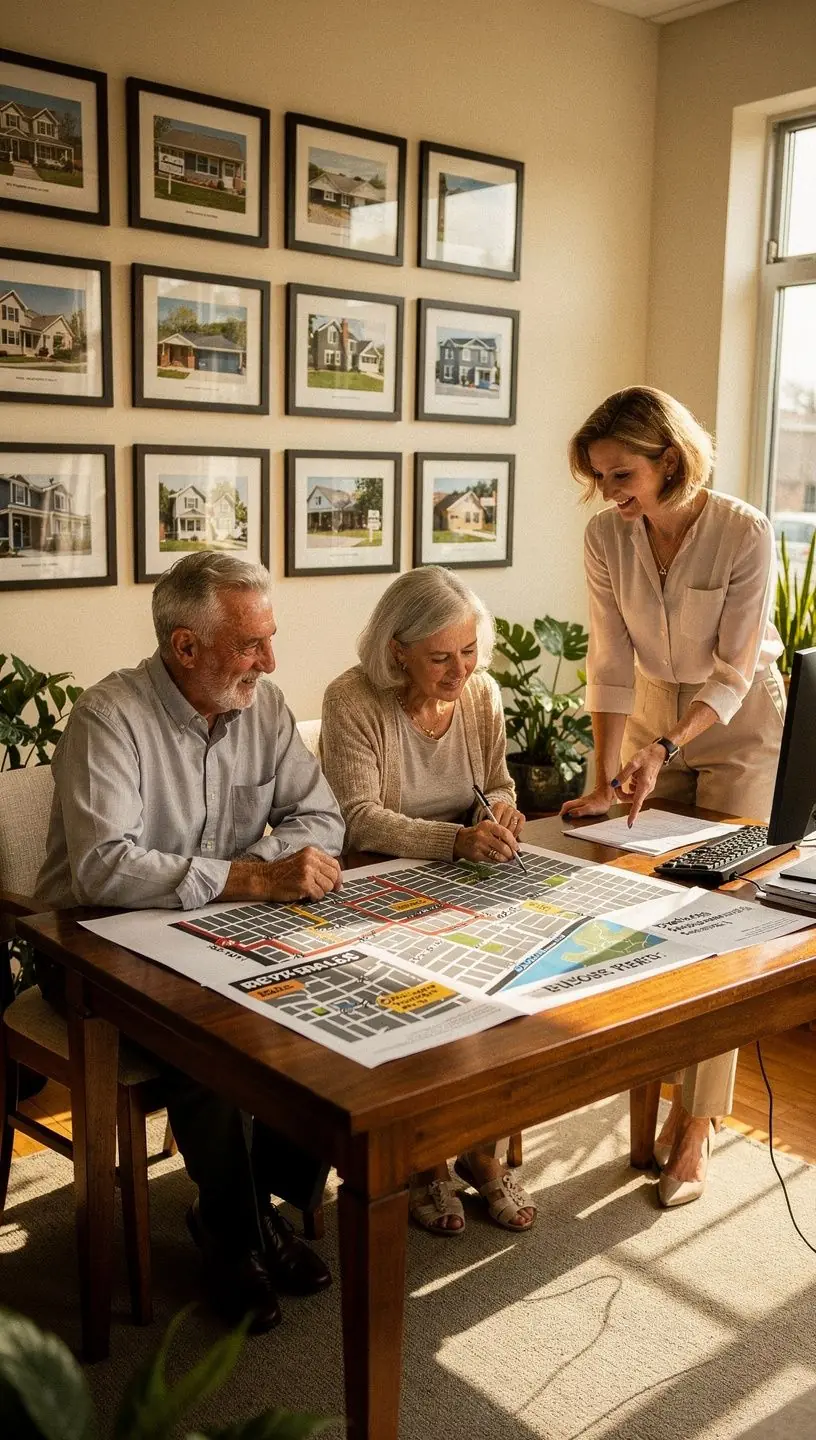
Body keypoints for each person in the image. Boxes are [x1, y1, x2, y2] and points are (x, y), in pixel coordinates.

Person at [35, 552, 346, 1332]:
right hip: (89, 945)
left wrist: (257, 875)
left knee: (325, 996)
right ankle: (236, 1230)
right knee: (209, 1041)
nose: (271, 662)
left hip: (216, 927)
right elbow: (106, 869)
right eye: (251, 645)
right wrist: (252, 878)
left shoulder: (265, 708)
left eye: (269, 640)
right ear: (185, 647)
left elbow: (320, 819)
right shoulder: (109, 717)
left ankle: (263, 1203)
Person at [561, 385, 785, 1207]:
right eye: (601, 479)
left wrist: (661, 750)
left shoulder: (743, 530)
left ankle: (696, 1126)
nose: (613, 495)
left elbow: (732, 670)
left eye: (623, 475)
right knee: (641, 905)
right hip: (655, 714)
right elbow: (609, 656)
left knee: (726, 917)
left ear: (669, 458)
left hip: (739, 723)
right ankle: (658, 1099)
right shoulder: (605, 536)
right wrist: (603, 772)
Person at [321, 565, 536, 1235]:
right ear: (397, 650)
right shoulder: (352, 698)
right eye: (441, 657)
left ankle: (482, 1151)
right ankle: (427, 1165)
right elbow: (358, 818)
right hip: (377, 884)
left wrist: (501, 810)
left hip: (465, 877)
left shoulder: (482, 694)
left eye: (469, 651)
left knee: (514, 994)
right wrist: (456, 841)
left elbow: (498, 782)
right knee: (422, 1005)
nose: (460, 670)